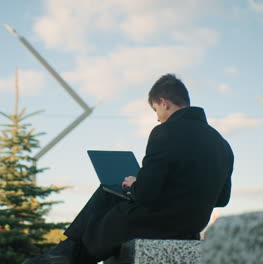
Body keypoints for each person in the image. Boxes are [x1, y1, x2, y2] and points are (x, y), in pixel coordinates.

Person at [22, 74, 234, 264]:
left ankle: (64, 252)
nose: (157, 117)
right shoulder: (223, 144)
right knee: (110, 202)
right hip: (191, 229)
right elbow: (222, 199)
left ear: (163, 102)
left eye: (156, 110)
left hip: (158, 224)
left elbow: (146, 194)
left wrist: (135, 184)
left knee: (109, 194)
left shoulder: (165, 132)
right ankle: (64, 253)